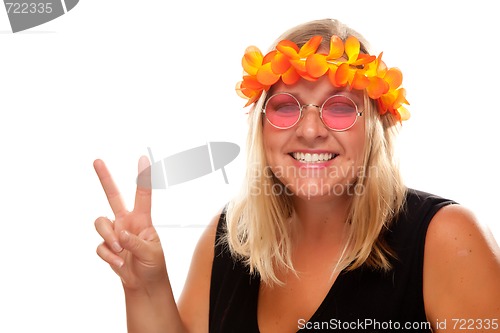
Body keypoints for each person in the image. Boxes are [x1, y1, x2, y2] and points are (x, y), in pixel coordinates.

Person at [94, 18, 500, 332]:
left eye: (339, 108)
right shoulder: (228, 238)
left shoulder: (446, 240)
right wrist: (145, 285)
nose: (309, 130)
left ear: (373, 127)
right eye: (286, 107)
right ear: (263, 127)